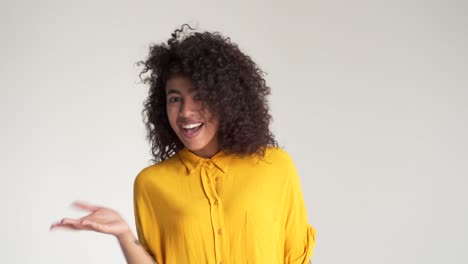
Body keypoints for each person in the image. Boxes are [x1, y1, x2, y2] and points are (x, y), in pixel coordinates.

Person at [50, 24, 317, 264]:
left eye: (199, 97)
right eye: (175, 99)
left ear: (226, 100)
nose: (186, 111)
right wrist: (124, 235)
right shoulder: (151, 184)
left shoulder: (275, 166)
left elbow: (296, 258)